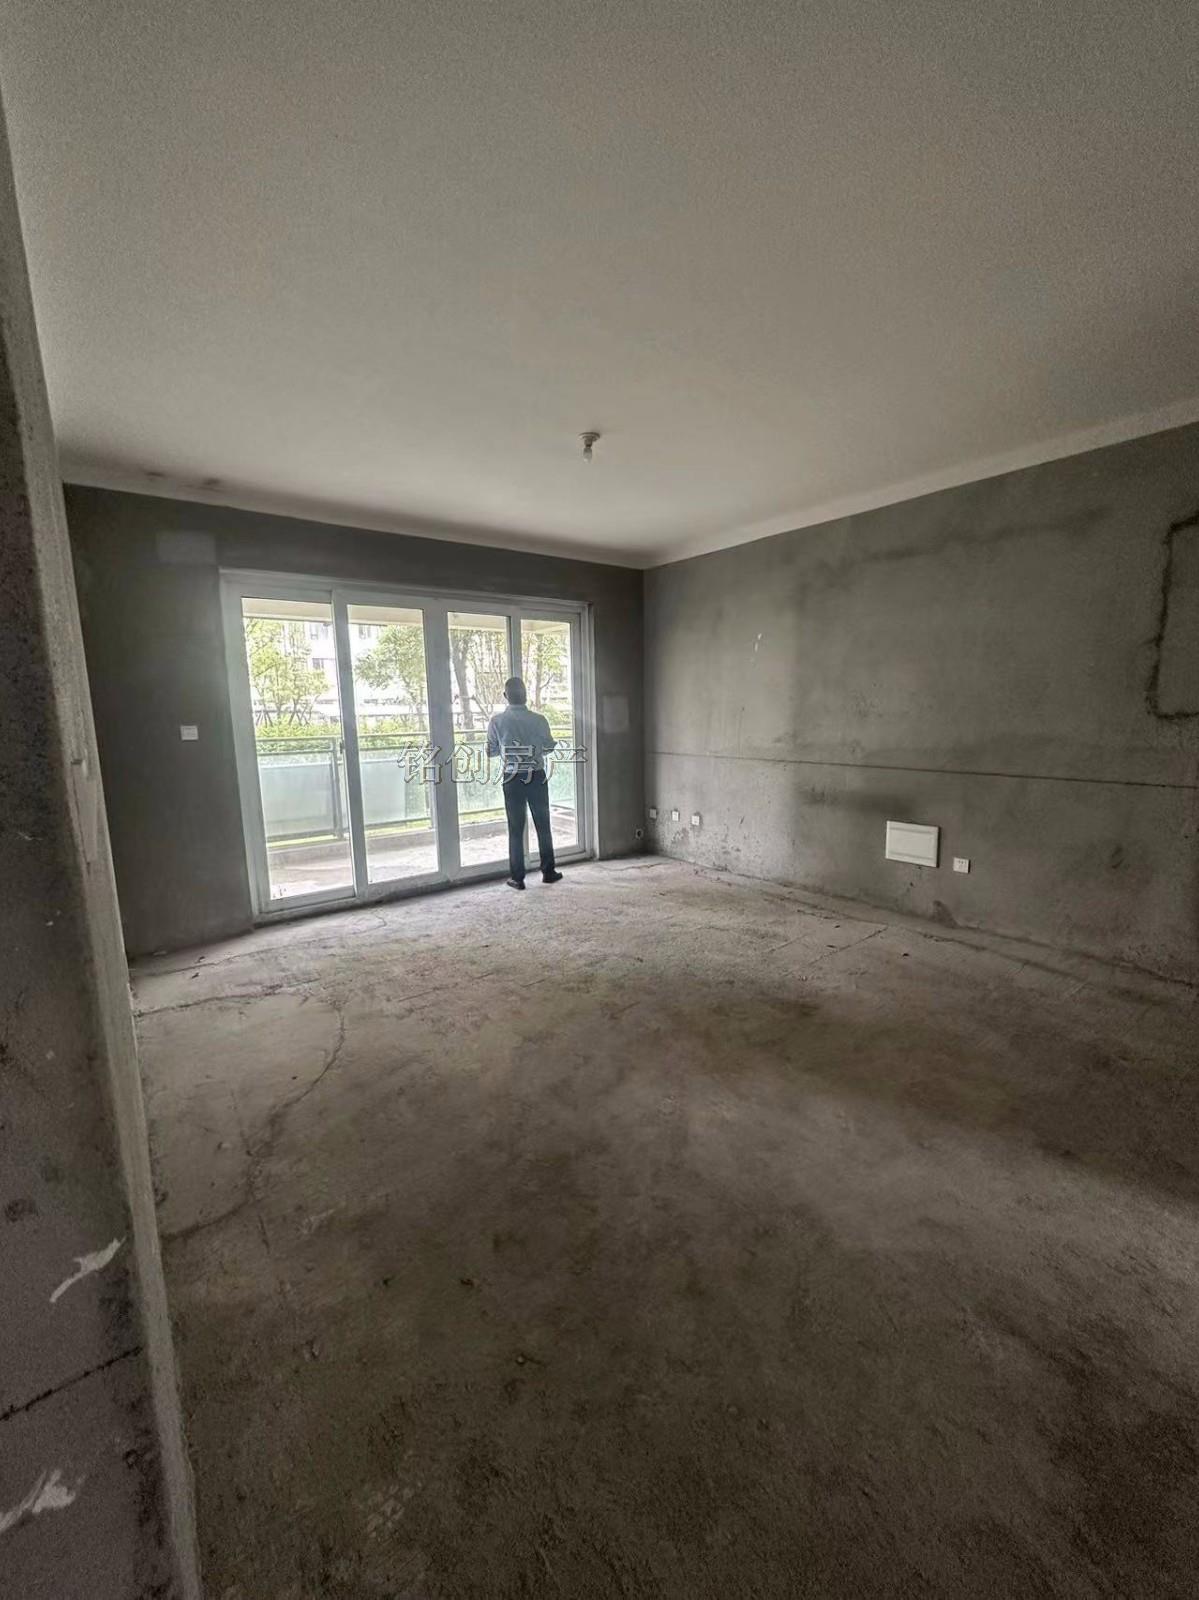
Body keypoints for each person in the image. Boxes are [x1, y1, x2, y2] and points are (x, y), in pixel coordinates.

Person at [485, 677, 563, 890]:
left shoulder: (497, 721)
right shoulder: (539, 719)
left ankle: (517, 878)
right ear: (526, 695)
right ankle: (548, 872)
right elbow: (549, 747)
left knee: (516, 828)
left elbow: (491, 751)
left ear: (505, 696)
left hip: (512, 778)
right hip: (536, 775)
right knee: (543, 825)